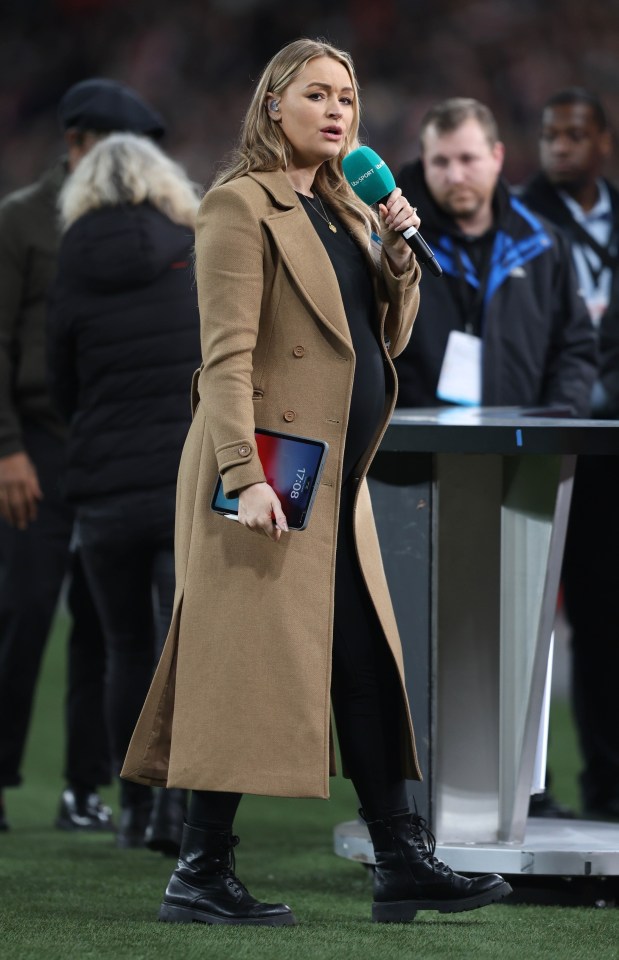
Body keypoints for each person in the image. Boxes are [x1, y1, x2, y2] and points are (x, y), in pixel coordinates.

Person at [121, 38, 511, 926]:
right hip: (268, 463)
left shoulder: (351, 208)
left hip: (334, 473)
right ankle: (201, 870)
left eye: (347, 97)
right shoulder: (236, 205)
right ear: (271, 107)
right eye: (316, 95)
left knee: (366, 655)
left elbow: (392, 339)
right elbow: (223, 360)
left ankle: (398, 857)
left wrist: (402, 250)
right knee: (238, 664)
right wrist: (241, 475)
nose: (337, 111)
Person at [0, 78, 165, 833]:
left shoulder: (127, 225)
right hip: (34, 446)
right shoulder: (22, 221)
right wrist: (7, 451)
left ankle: (83, 787)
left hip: (101, 442)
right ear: (76, 142)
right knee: (25, 610)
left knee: (107, 626)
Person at [47, 133, 201, 850]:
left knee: (123, 648)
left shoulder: (71, 261)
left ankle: (133, 807)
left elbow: (61, 384)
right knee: (184, 648)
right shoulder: (190, 247)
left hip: (104, 491)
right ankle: (178, 808)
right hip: (180, 481)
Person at [522, 89, 619, 820]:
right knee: (515, 617)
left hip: (608, 454)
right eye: (550, 135)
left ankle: (606, 785)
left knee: (600, 617)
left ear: (602, 143)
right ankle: (524, 789)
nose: (559, 146)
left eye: (574, 134)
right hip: (534, 438)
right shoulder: (516, 218)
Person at [394, 97, 597, 416]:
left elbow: (575, 347)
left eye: (467, 159)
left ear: (497, 156)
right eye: (440, 162)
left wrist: (556, 424)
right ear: (423, 161)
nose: (455, 176)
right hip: (415, 447)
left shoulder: (542, 243)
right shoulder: (393, 242)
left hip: (521, 447)